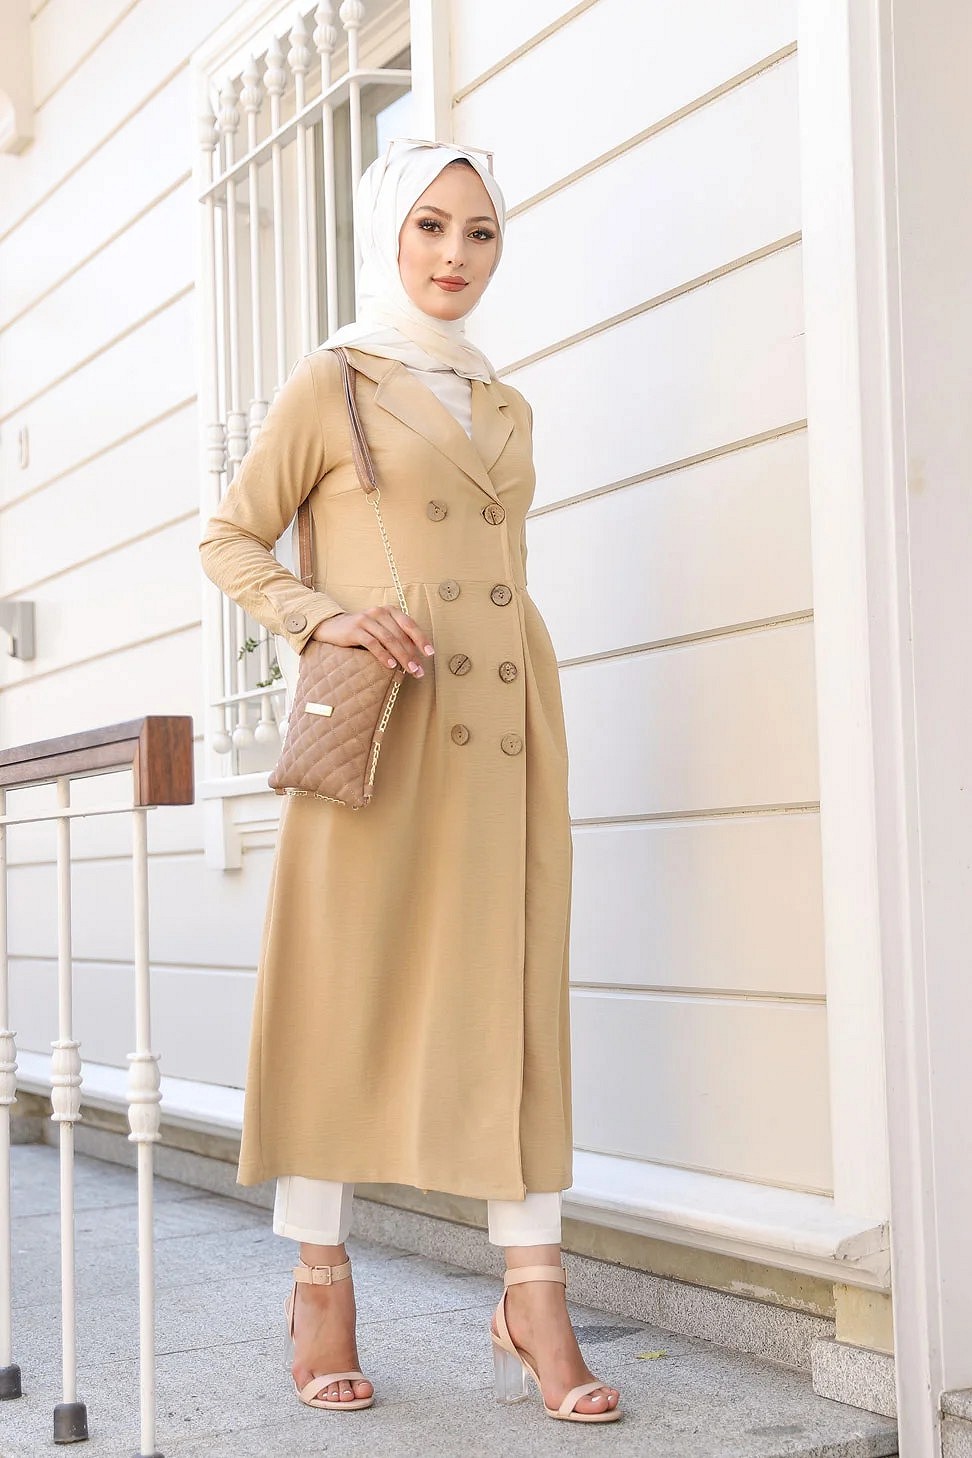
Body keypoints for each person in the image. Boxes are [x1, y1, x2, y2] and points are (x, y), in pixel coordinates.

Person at [198, 138, 622, 1424]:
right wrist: (321, 617)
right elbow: (230, 537)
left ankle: (533, 1297)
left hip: (502, 725)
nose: (455, 254)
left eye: (480, 231)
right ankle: (319, 1281)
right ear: (388, 231)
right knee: (344, 991)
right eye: (431, 225)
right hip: (384, 731)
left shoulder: (505, 402)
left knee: (514, 996)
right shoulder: (333, 379)